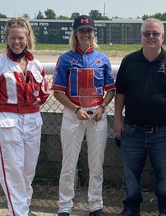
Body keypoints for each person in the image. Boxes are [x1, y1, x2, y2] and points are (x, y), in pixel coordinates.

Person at [114, 18, 166, 216]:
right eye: (147, 33)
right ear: (140, 36)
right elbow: (120, 93)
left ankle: (165, 210)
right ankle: (131, 208)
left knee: (165, 178)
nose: (151, 37)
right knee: (131, 176)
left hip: (163, 132)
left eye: (155, 34)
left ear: (163, 37)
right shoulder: (129, 61)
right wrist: (117, 120)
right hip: (132, 131)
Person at [0, 16, 50, 216]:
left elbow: (42, 95)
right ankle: (20, 213)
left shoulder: (37, 66)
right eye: (12, 38)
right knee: (12, 174)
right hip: (8, 121)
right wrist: (3, 115)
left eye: (21, 38)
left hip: (33, 120)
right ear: (6, 39)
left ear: (28, 38)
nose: (17, 42)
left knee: (27, 173)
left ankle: (20, 210)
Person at [51, 15, 116, 216]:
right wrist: (75, 109)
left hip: (97, 116)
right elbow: (58, 92)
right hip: (73, 116)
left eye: (88, 30)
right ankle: (64, 206)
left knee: (96, 164)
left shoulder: (102, 59)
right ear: (75, 33)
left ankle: (95, 205)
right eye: (81, 31)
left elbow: (110, 89)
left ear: (93, 33)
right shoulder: (65, 58)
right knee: (68, 164)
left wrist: (102, 107)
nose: (85, 34)